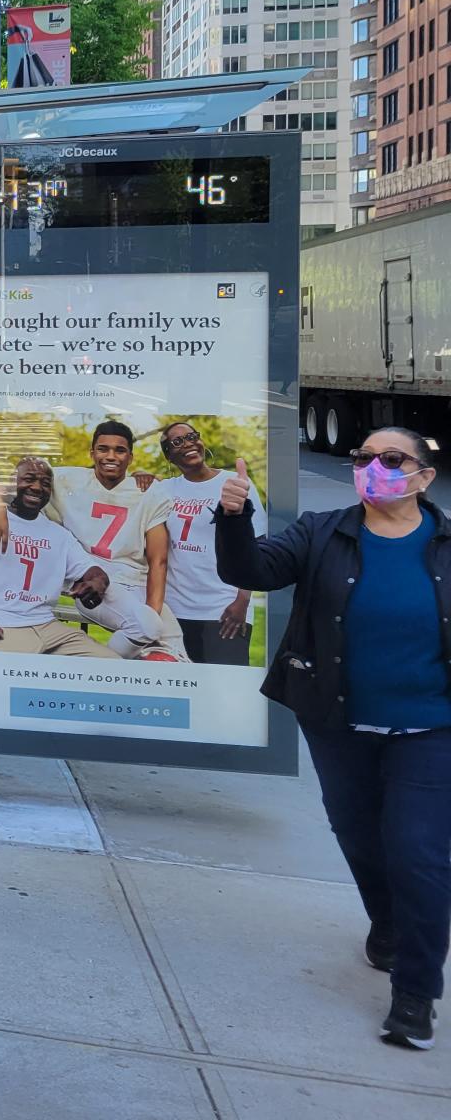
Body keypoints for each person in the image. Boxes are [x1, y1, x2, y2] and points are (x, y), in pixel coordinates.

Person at [216, 430, 451, 1052]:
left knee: (419, 853)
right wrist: (233, 516)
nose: (374, 469)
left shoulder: (447, 543)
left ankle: (415, 992)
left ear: (425, 477)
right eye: (364, 458)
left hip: (430, 729)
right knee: (360, 837)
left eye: (392, 460)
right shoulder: (322, 532)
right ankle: (388, 924)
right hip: (338, 724)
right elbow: (250, 570)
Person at [0, 420, 183, 659]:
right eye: (103, 449)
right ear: (92, 453)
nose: (110, 456)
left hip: (135, 581)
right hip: (93, 580)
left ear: (130, 457)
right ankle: (102, 670)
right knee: (147, 626)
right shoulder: (65, 479)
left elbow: (158, 559)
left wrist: (153, 610)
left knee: (175, 654)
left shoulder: (149, 491)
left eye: (119, 450)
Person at [0, 457, 116, 657]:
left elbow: (92, 571)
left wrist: (97, 583)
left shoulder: (58, 534)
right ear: (11, 483)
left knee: (111, 665)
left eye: (45, 483)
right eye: (29, 479)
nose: (37, 487)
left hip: (45, 626)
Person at [145, 420, 262, 665]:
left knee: (225, 689)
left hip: (224, 608)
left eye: (191, 436)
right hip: (175, 610)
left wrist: (242, 601)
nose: (188, 444)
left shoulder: (234, 484)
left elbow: (256, 547)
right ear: (169, 455)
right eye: (177, 442)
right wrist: (139, 477)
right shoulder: (164, 490)